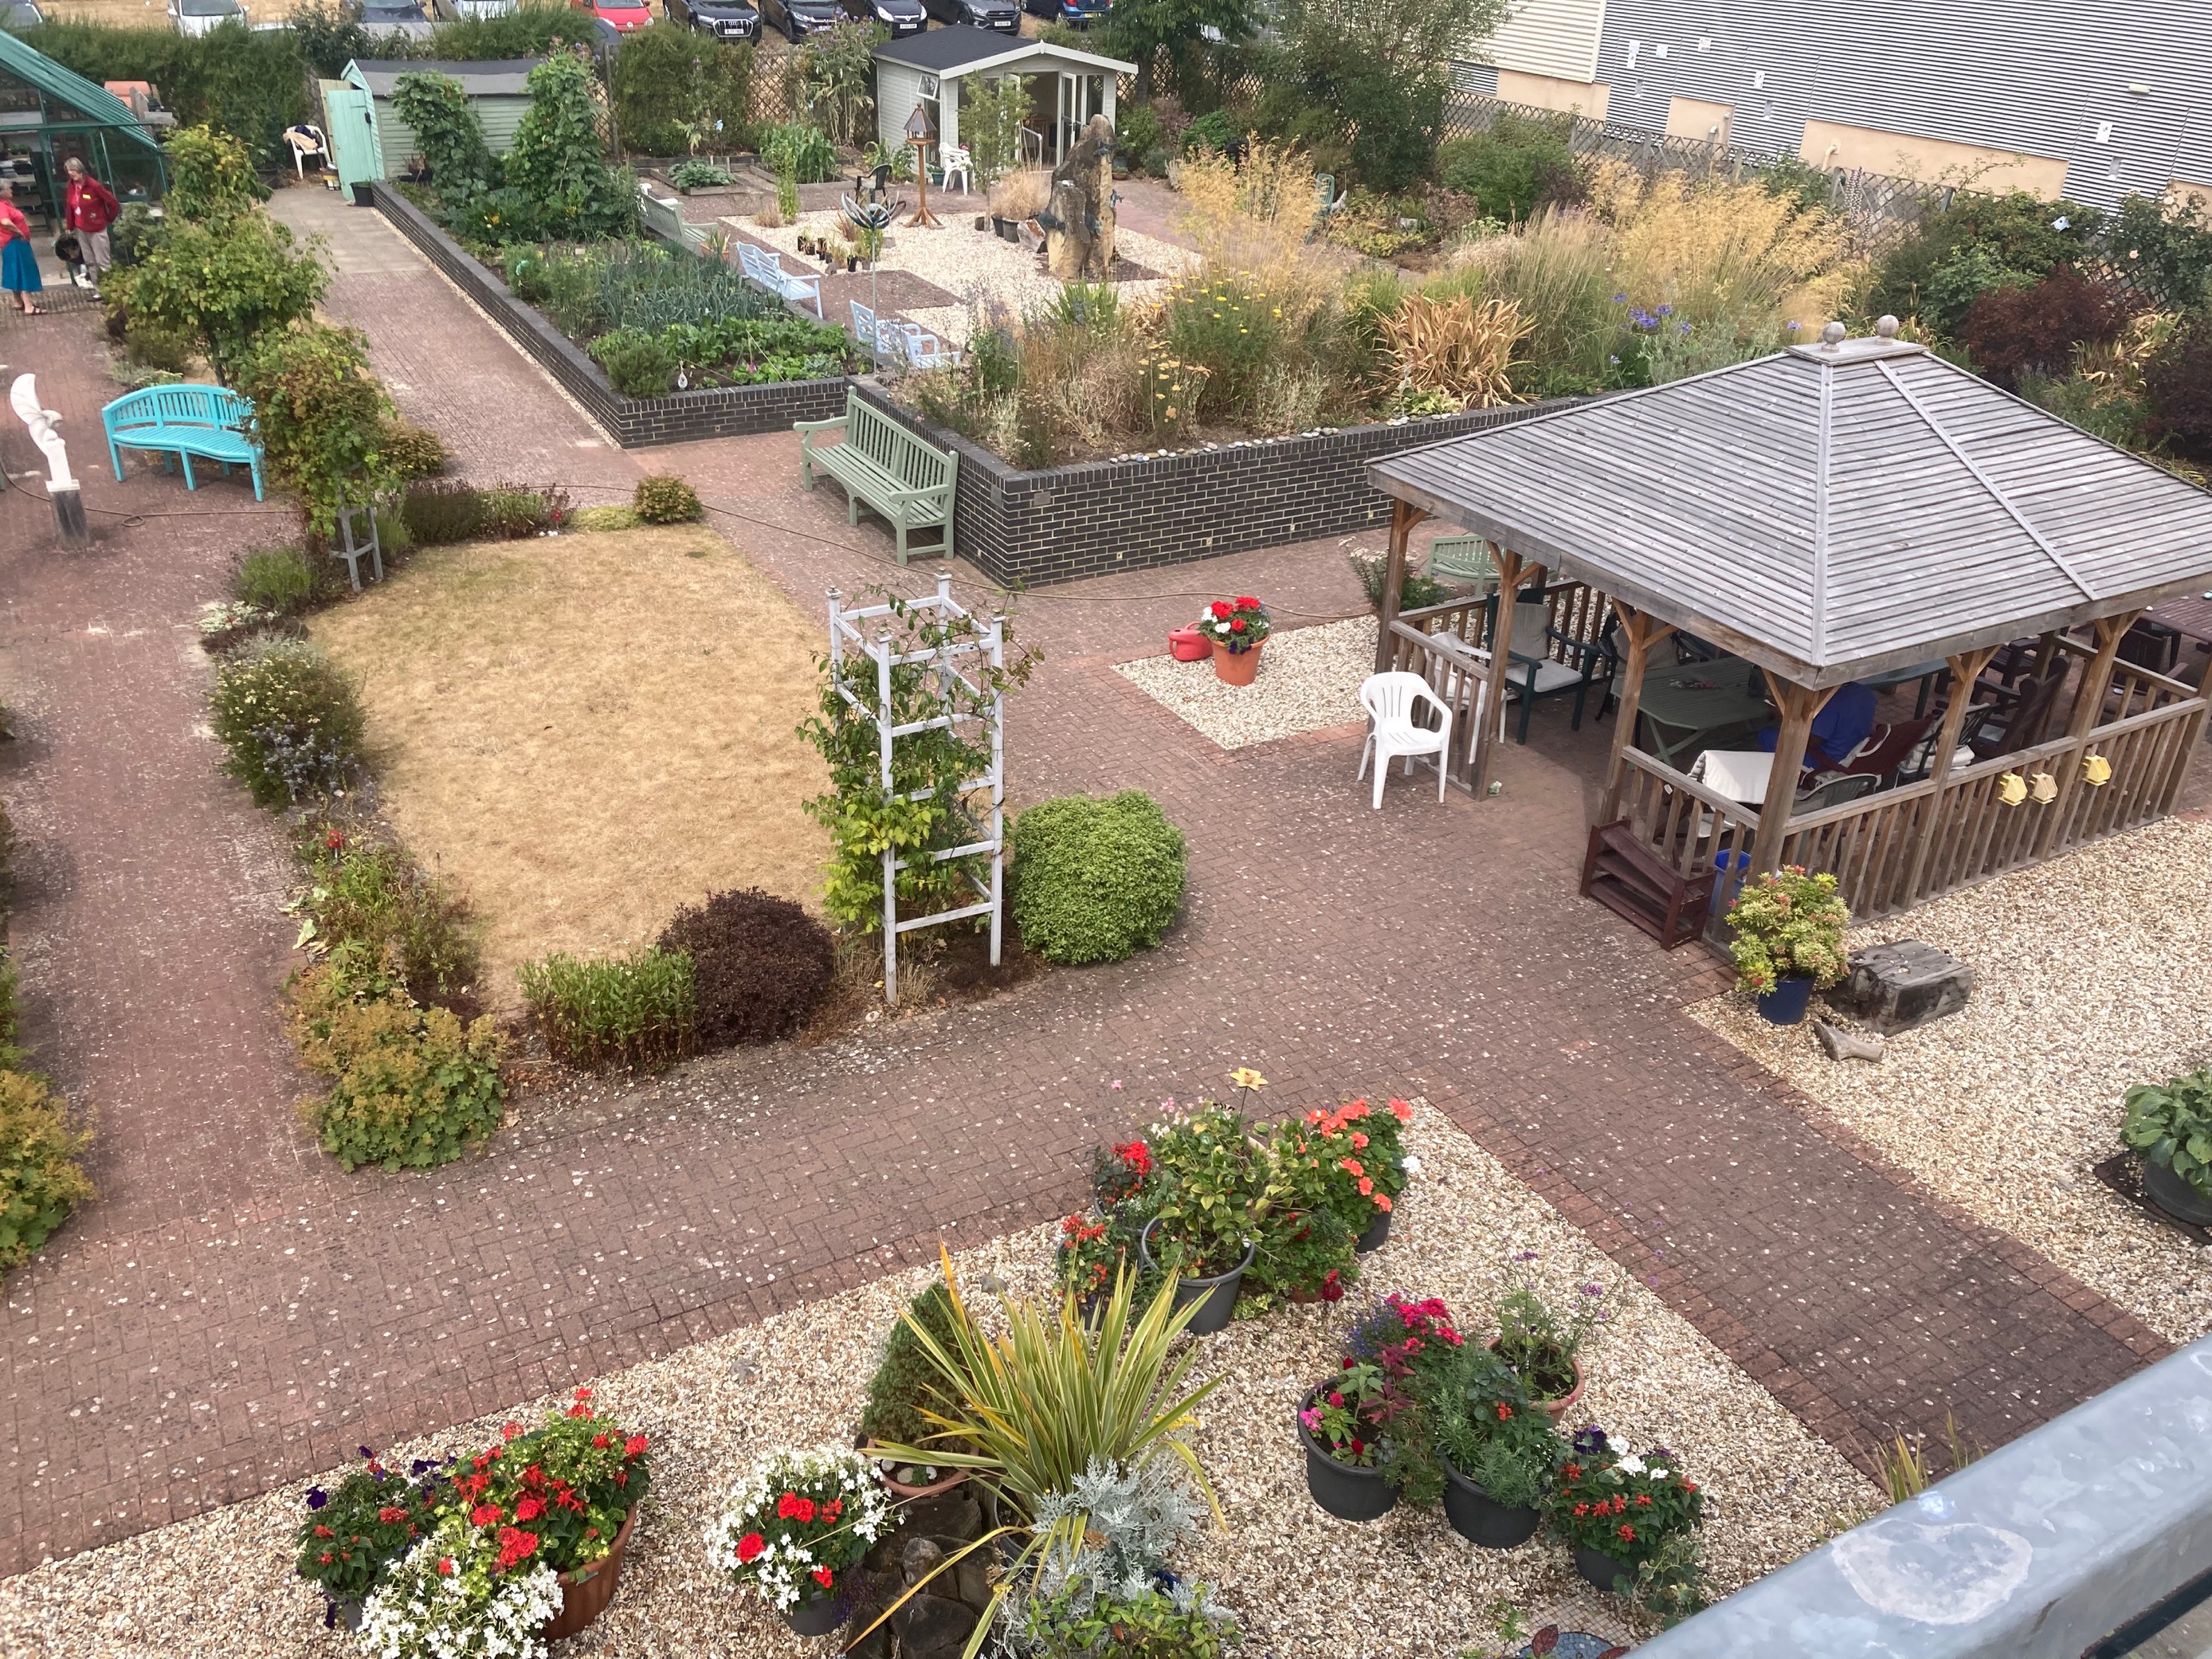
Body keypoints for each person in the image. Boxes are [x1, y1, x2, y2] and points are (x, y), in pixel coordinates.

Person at [1757, 680, 1877, 773]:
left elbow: (1809, 742)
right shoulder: (1865, 693)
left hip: (1827, 760)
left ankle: (1779, 777)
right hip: (1854, 749)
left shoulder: (1832, 703)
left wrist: (1785, 714)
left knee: (1766, 735)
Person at [61, 157, 120, 298]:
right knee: (89, 261)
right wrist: (70, 225)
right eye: (69, 171)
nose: (71, 173)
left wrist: (107, 219)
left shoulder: (94, 186)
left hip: (96, 228)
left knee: (102, 261)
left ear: (81, 170)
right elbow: (70, 206)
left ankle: (110, 291)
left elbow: (113, 203)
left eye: (74, 170)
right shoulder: (71, 186)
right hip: (81, 228)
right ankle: (98, 291)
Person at [0, 179, 41, 316]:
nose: (11, 191)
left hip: (11, 243)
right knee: (24, 271)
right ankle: (29, 306)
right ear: (3, 192)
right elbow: (5, 221)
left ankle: (18, 301)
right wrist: (19, 232)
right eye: (9, 189)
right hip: (15, 242)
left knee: (14, 271)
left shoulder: (7, 204)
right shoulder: (2, 206)